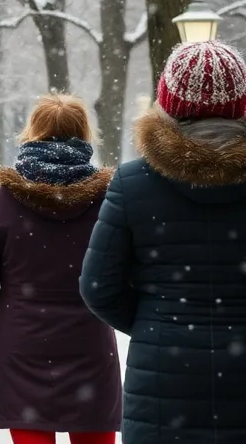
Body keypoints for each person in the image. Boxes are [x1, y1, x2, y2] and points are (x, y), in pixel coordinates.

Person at [81, 40, 246, 444]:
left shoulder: (133, 183)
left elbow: (98, 287)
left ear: (168, 103)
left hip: (160, 386)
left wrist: (157, 320)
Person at [0, 94, 120, 444]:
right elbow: (122, 275)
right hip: (90, 344)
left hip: (22, 344)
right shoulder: (107, 202)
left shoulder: (1, 202)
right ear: (83, 135)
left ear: (32, 133)